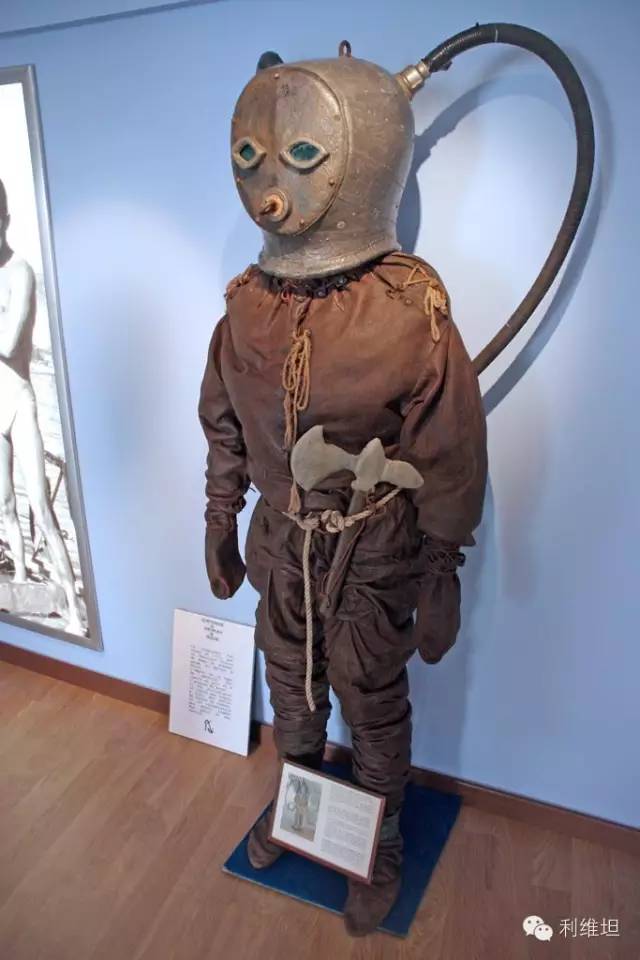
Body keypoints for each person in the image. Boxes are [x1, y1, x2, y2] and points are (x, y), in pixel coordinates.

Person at [199, 51, 487, 936]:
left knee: (368, 693)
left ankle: (379, 839)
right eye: (255, 157)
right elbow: (224, 416)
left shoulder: (409, 308)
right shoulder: (246, 306)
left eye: (302, 155)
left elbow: (449, 449)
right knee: (289, 685)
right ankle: (302, 811)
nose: (272, 185)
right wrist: (220, 513)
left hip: (372, 546)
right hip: (281, 538)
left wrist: (440, 568)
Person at [0, 178, 84, 634]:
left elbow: (10, 341)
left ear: (6, 220)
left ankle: (73, 609)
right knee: (5, 506)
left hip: (19, 401)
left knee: (41, 506)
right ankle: (20, 590)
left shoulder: (20, 271)